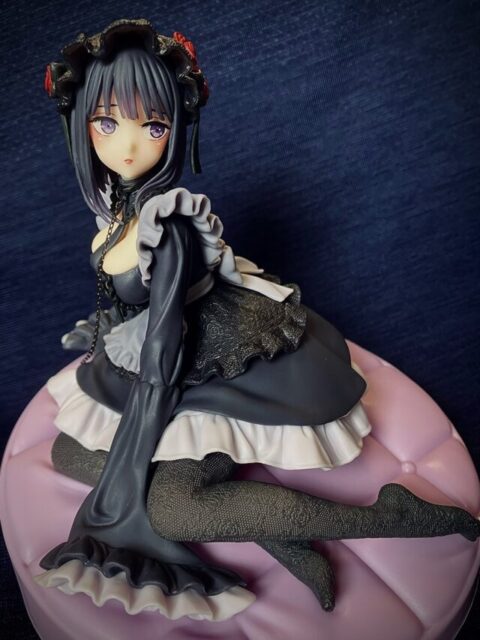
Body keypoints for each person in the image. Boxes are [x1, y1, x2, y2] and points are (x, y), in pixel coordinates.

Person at [36, 19, 480, 620]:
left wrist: (131, 465)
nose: (129, 146)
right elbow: (129, 303)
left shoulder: (167, 224)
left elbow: (165, 347)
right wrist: (101, 331)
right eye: (107, 123)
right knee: (68, 452)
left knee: (168, 510)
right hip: (156, 359)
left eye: (154, 125)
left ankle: (389, 516)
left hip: (204, 367)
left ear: (176, 129)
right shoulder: (118, 209)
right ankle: (277, 533)